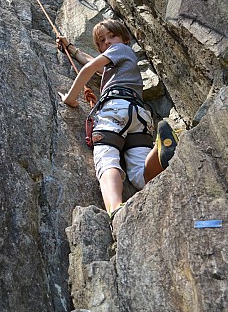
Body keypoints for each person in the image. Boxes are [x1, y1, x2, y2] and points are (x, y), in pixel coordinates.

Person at [57, 19, 178, 220]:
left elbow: (89, 70)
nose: (108, 42)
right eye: (102, 41)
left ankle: (115, 208)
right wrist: (71, 49)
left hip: (116, 109)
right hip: (139, 116)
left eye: (112, 36)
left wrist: (70, 98)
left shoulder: (120, 49)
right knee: (141, 176)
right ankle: (159, 148)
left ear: (124, 38)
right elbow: (93, 64)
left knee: (106, 158)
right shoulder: (121, 62)